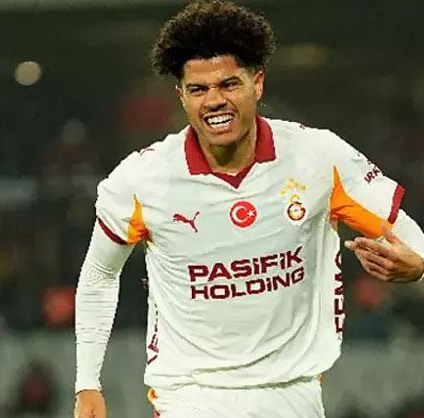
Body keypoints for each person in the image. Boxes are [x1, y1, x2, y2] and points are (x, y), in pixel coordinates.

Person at [73, 2, 424, 417]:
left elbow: (402, 230)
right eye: (198, 90)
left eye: (228, 84)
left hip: (294, 390)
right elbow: (99, 274)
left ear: (257, 83)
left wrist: (419, 265)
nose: (213, 101)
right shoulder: (141, 180)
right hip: (190, 394)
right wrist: (87, 382)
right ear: (181, 95)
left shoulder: (318, 157)